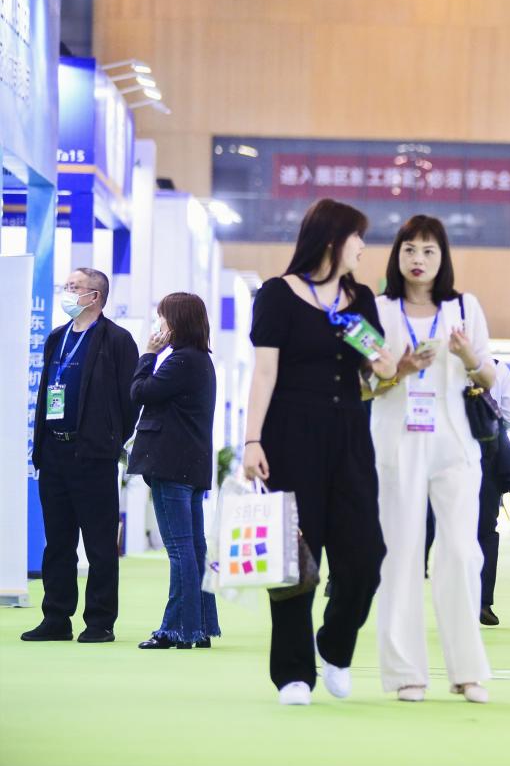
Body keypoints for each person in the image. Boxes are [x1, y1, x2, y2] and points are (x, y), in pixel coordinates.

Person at [242, 198, 393, 707]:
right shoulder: (277, 294)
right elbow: (264, 374)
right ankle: (292, 674)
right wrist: (251, 440)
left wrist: (381, 357)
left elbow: (379, 367)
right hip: (289, 436)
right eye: (358, 237)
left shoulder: (360, 298)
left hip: (349, 436)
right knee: (294, 560)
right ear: (332, 239)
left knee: (366, 556)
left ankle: (334, 645)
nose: (363, 247)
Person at [368, 215, 496, 704]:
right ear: (397, 255)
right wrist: (400, 369)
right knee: (400, 554)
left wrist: (467, 356)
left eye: (428, 251)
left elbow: (489, 376)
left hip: (454, 441)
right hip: (396, 440)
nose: (418, 260)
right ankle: (406, 673)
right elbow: (363, 385)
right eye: (409, 249)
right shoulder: (376, 309)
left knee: (461, 552)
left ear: (443, 258)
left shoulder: (466, 307)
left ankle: (468, 671)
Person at [22, 268, 139, 645]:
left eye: (74, 287)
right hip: (54, 450)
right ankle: (56, 617)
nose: (67, 292)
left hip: (93, 454)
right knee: (57, 541)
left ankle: (100, 621)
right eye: (67, 286)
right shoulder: (57, 338)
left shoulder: (116, 340)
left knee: (99, 543)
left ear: (95, 296)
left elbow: (130, 400)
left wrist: (110, 439)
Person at [127, 293, 220, 650]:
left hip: (170, 464)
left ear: (176, 321)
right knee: (194, 548)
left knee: (181, 550)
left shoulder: (180, 361)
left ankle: (177, 629)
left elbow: (140, 392)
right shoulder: (200, 360)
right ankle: (200, 626)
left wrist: (148, 354)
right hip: (190, 466)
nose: (158, 324)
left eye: (162, 317)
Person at [479, 358, 510, 627]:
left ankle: (453, 601)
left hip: (445, 451)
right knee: (485, 530)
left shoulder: (437, 358)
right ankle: (483, 601)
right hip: (487, 451)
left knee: (449, 529)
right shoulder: (497, 367)